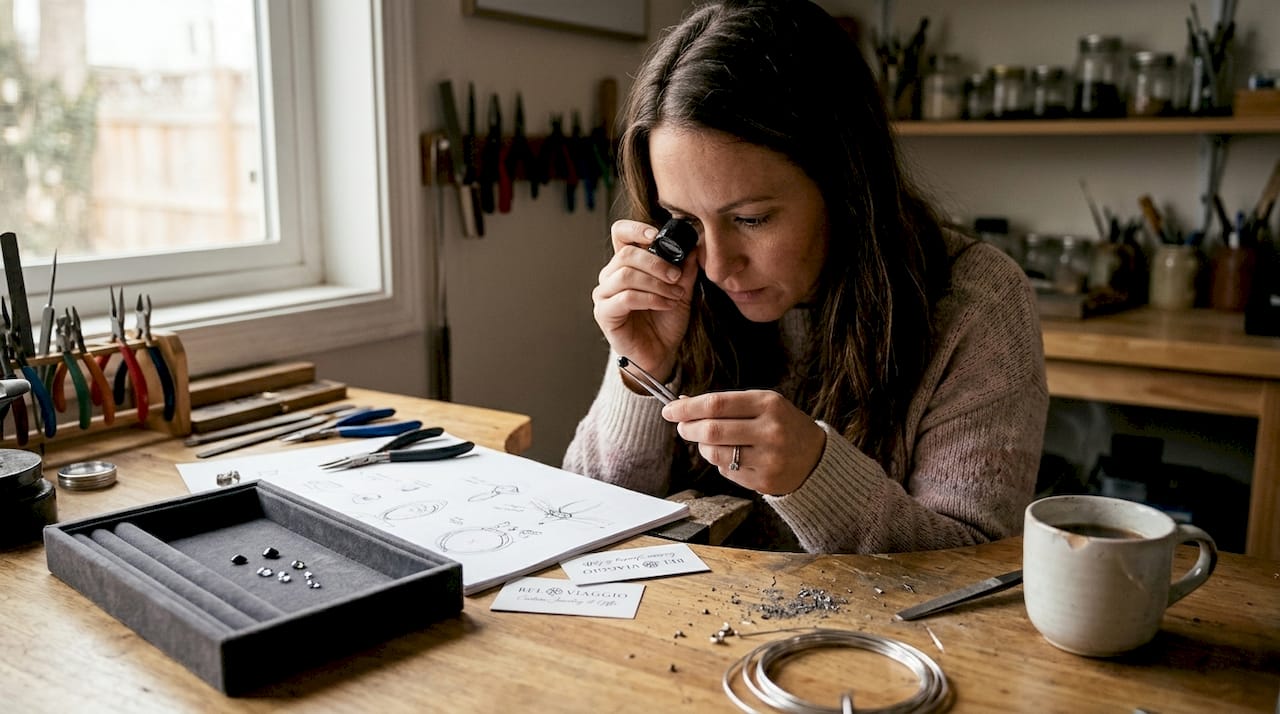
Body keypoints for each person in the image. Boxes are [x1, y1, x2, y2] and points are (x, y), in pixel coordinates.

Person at [563, 0, 1048, 554]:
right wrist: (642, 373)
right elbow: (585, 522)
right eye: (685, 220)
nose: (718, 267)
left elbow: (976, 573)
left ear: (845, 184)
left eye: (751, 219)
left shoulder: (976, 303)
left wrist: (814, 477)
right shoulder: (676, 280)